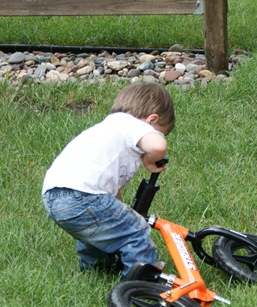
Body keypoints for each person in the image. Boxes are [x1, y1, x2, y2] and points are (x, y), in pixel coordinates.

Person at [42, 82, 175, 279]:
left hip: (54, 197)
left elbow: (111, 194)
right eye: (158, 131)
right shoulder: (132, 125)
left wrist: (122, 213)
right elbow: (158, 147)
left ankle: (97, 271)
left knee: (99, 228)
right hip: (82, 196)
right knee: (135, 231)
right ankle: (140, 284)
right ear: (151, 120)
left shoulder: (107, 128)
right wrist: (149, 158)